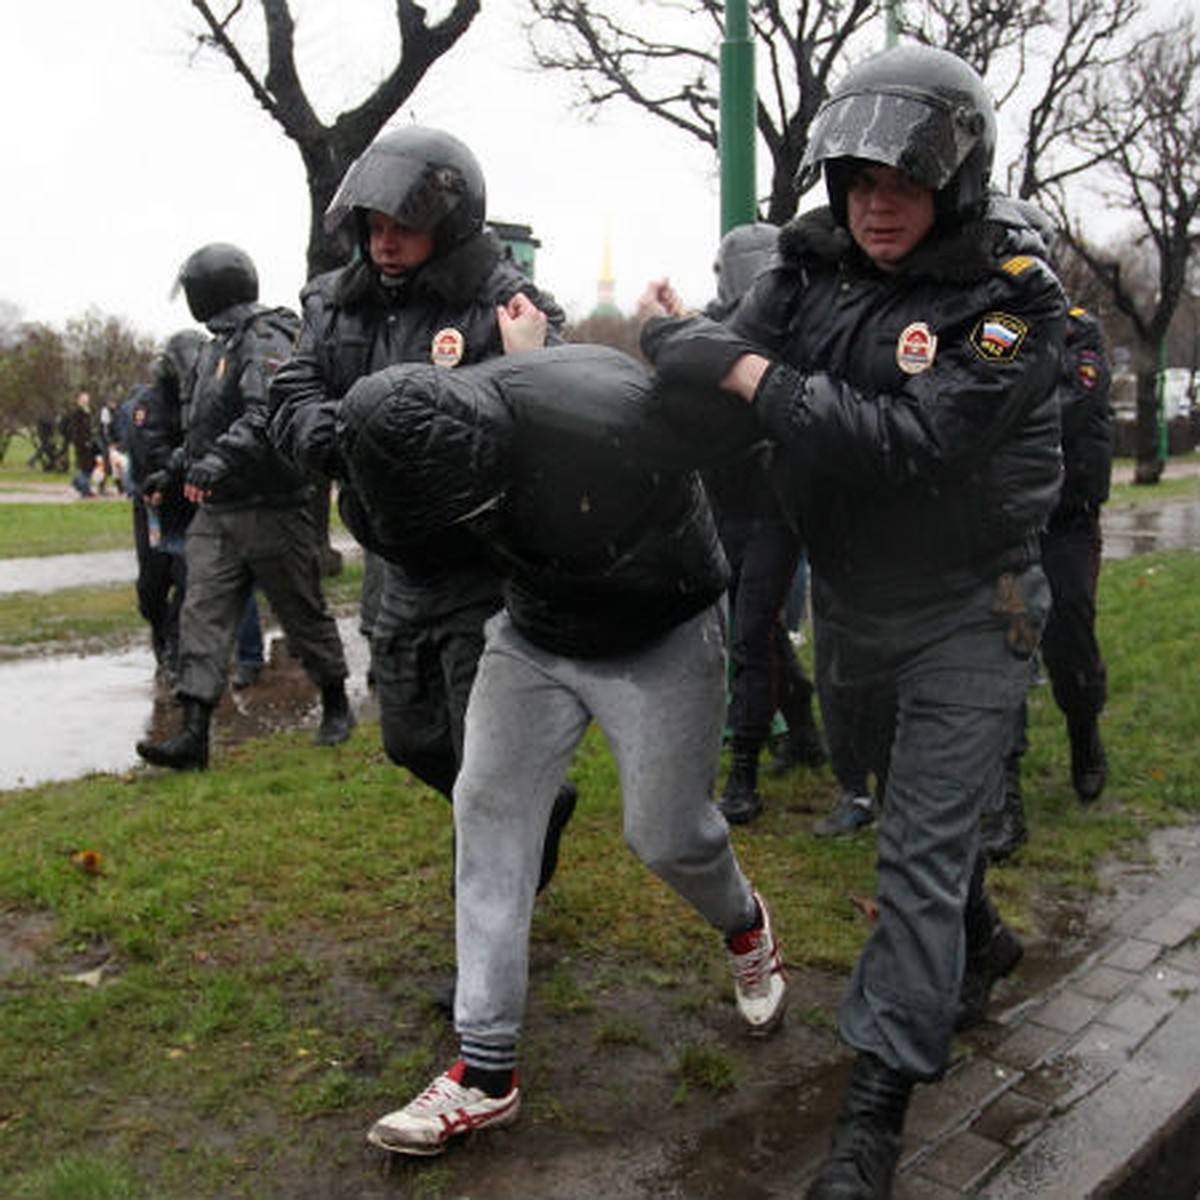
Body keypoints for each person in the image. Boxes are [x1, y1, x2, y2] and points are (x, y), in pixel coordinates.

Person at [639, 44, 1064, 1199]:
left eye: (906, 181)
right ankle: (980, 938)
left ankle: (871, 1124)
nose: (879, 203)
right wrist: (682, 361)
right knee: (915, 815)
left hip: (978, 606)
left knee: (913, 855)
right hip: (857, 607)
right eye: (859, 178)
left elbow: (917, 442)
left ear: (958, 181)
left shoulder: (1017, 300)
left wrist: (747, 379)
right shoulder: (810, 268)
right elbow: (709, 347)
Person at [329, 332, 787, 1157]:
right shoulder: (390, 463)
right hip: (535, 632)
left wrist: (701, 347)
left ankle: (747, 927)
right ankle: (485, 1070)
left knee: (667, 836)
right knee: (488, 810)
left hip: (660, 626)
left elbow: (750, 421)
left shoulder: (606, 412)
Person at [268, 125, 577, 897]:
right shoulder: (338, 308)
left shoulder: (505, 303)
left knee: (489, 765)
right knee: (410, 739)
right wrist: (354, 437)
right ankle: (544, 810)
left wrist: (479, 408)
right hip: (396, 563)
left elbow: (553, 403)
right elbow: (294, 393)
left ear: (449, 220)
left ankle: (493, 936)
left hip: (488, 566)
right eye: (373, 227)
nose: (384, 243)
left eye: (402, 225)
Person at [136, 243, 353, 770]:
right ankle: (193, 733)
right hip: (219, 509)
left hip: (272, 506)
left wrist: (221, 461)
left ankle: (336, 703)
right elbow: (205, 424)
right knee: (201, 614)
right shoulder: (217, 345)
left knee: (301, 612)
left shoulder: (265, 336)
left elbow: (269, 411)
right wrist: (179, 467)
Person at [983, 203, 1114, 859]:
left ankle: (1084, 729)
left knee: (1069, 639)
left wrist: (1008, 413)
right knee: (1008, 644)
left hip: (1065, 524)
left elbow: (1077, 400)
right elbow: (972, 392)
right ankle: (1005, 800)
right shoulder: (997, 329)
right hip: (1010, 530)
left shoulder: (1076, 331)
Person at [702, 222, 826, 824]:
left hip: (775, 509)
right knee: (753, 635)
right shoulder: (713, 328)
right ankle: (801, 725)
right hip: (726, 506)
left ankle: (744, 771)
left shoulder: (801, 328)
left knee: (752, 635)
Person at [65, 390, 98, 498]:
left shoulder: (88, 412)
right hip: (82, 445)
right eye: (83, 399)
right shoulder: (77, 414)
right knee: (85, 467)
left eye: (86, 399)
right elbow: (76, 430)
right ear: (78, 401)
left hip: (89, 445)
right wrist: (82, 442)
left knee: (90, 467)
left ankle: (77, 483)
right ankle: (85, 489)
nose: (85, 401)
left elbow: (90, 429)